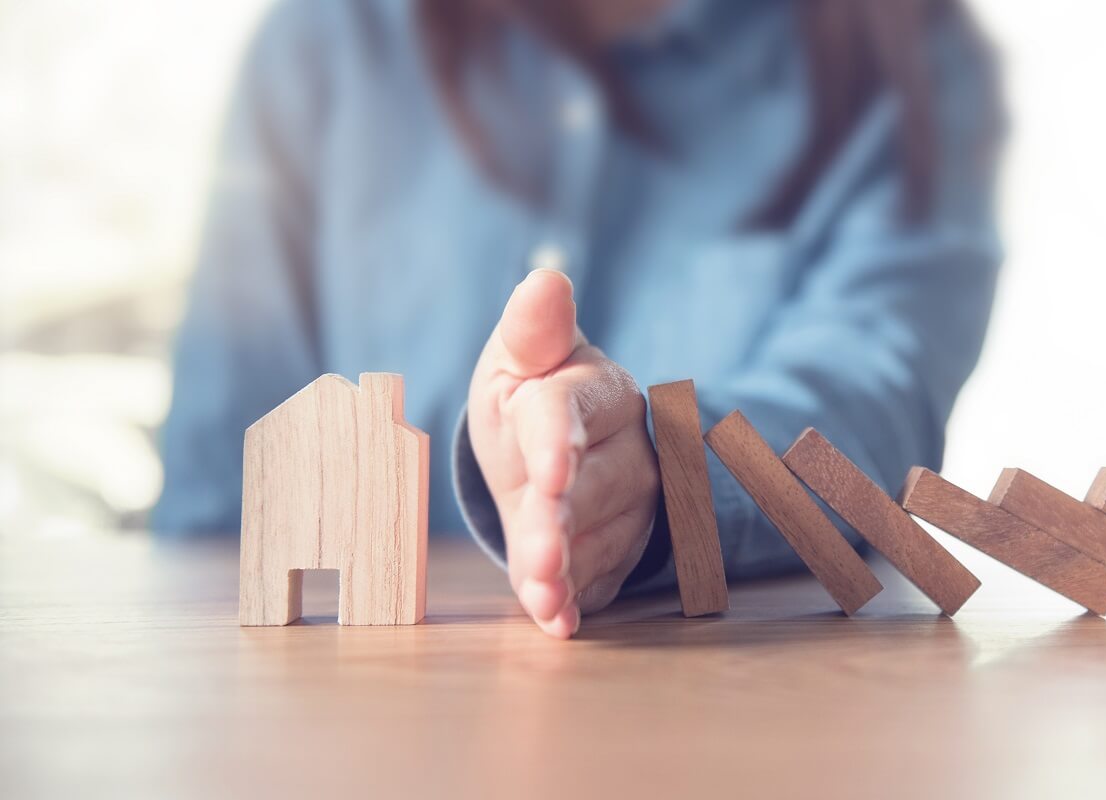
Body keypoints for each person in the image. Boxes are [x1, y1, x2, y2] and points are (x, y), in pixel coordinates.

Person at [152, 0, 1003, 639]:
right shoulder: (327, 37)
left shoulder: (904, 50)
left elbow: (878, 387)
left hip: (738, 698)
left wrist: (665, 470)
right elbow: (218, 474)